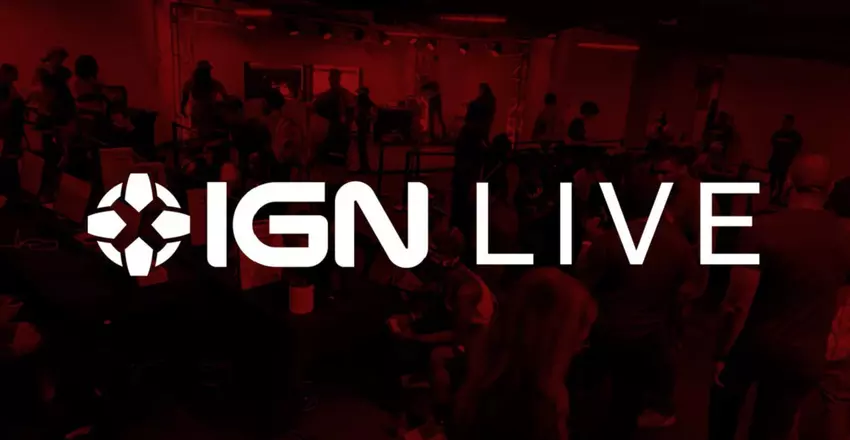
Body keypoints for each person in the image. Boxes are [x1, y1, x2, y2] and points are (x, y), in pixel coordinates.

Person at [709, 153, 850, 440]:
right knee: (772, 427)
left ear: (787, 183)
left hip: (755, 343)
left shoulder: (761, 228)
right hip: (805, 351)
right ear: (829, 187)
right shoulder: (843, 235)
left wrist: (723, 353)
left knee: (724, 409)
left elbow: (739, 303)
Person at [579, 172, 703, 435]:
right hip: (649, 336)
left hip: (604, 332)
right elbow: (688, 289)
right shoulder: (677, 242)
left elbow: (581, 286)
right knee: (627, 401)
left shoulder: (609, 241)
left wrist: (588, 242)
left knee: (589, 397)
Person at [454, 268, 597, 440]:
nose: (577, 350)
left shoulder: (484, 377)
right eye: (576, 341)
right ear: (553, 340)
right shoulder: (533, 408)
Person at [392, 228, 496, 424]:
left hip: (478, 340)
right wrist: (410, 318)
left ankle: (443, 416)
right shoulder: (447, 278)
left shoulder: (466, 290)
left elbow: (459, 335)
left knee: (437, 357)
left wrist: (415, 337)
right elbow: (434, 304)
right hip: (462, 329)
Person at [312, 69, 355, 164]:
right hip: (334, 129)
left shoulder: (342, 94)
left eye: (334, 78)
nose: (332, 80)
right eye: (331, 78)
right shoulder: (330, 95)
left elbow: (350, 112)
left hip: (339, 130)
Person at [262, 89, 304, 181]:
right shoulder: (288, 124)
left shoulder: (266, 123)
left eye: (264, 102)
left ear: (269, 104)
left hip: (279, 170)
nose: (261, 105)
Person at [180, 60, 227, 138]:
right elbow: (184, 98)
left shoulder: (214, 83)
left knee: (205, 134)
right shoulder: (191, 83)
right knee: (199, 134)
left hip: (209, 113)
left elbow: (225, 97)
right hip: (199, 113)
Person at [769, 115, 803, 202]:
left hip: (786, 162)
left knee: (782, 180)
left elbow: (798, 148)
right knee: (773, 179)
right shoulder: (777, 134)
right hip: (775, 160)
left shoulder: (795, 136)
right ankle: (772, 196)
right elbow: (773, 144)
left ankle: (780, 196)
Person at [355, 87, 376, 172]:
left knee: (362, 147)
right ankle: (364, 166)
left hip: (361, 126)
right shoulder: (366, 100)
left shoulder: (361, 98)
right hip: (363, 125)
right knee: (362, 146)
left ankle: (364, 166)